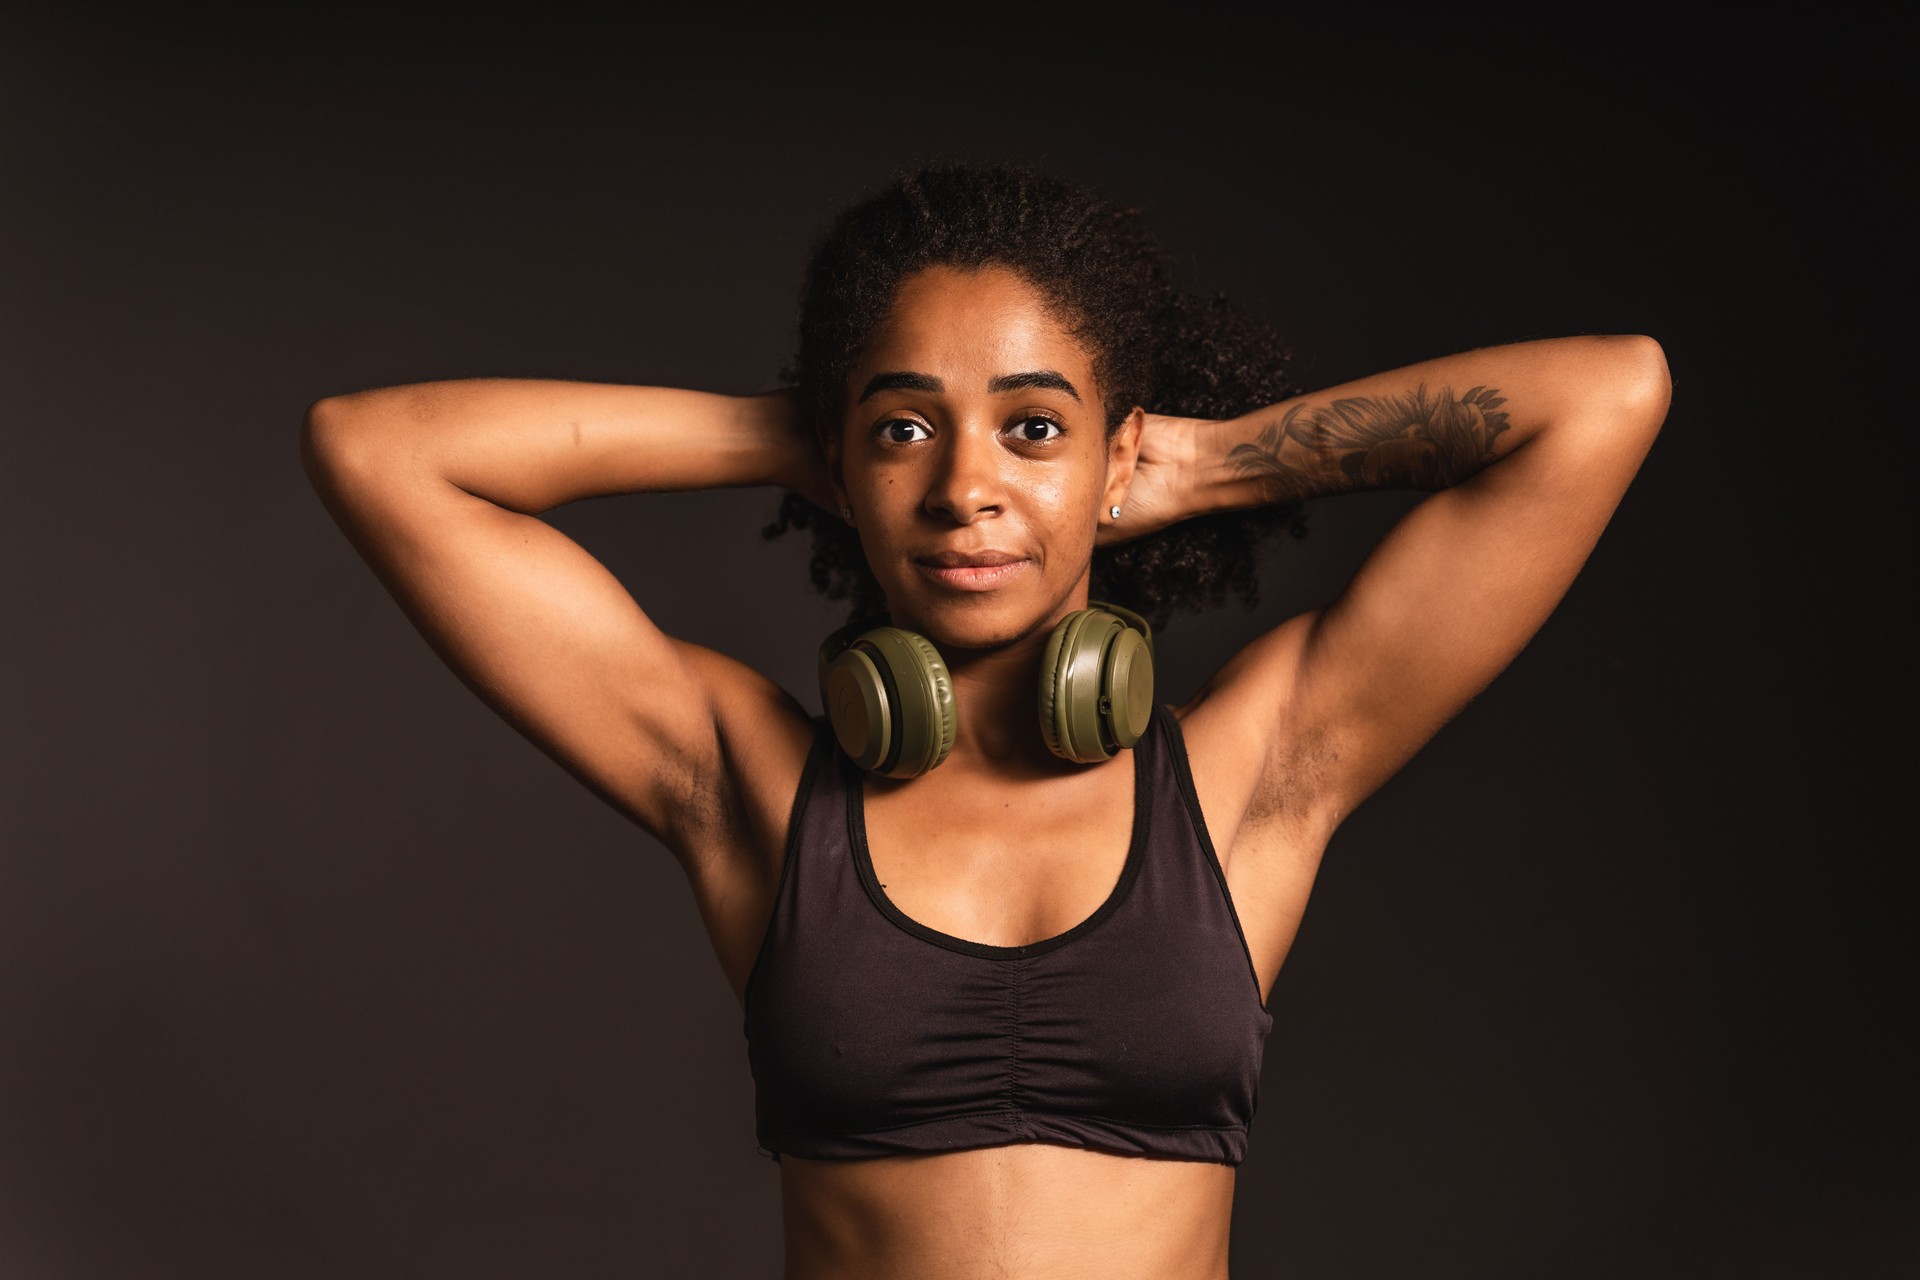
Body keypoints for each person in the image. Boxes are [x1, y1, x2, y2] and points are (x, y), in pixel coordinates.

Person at [300, 163, 1670, 1279]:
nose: (966, 488)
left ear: (1118, 453)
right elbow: (383, 452)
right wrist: (813, 440)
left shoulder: (1256, 773)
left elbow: (1606, 395)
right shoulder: (749, 780)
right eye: (907, 432)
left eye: (1033, 430)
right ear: (844, 461)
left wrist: (1200, 460)